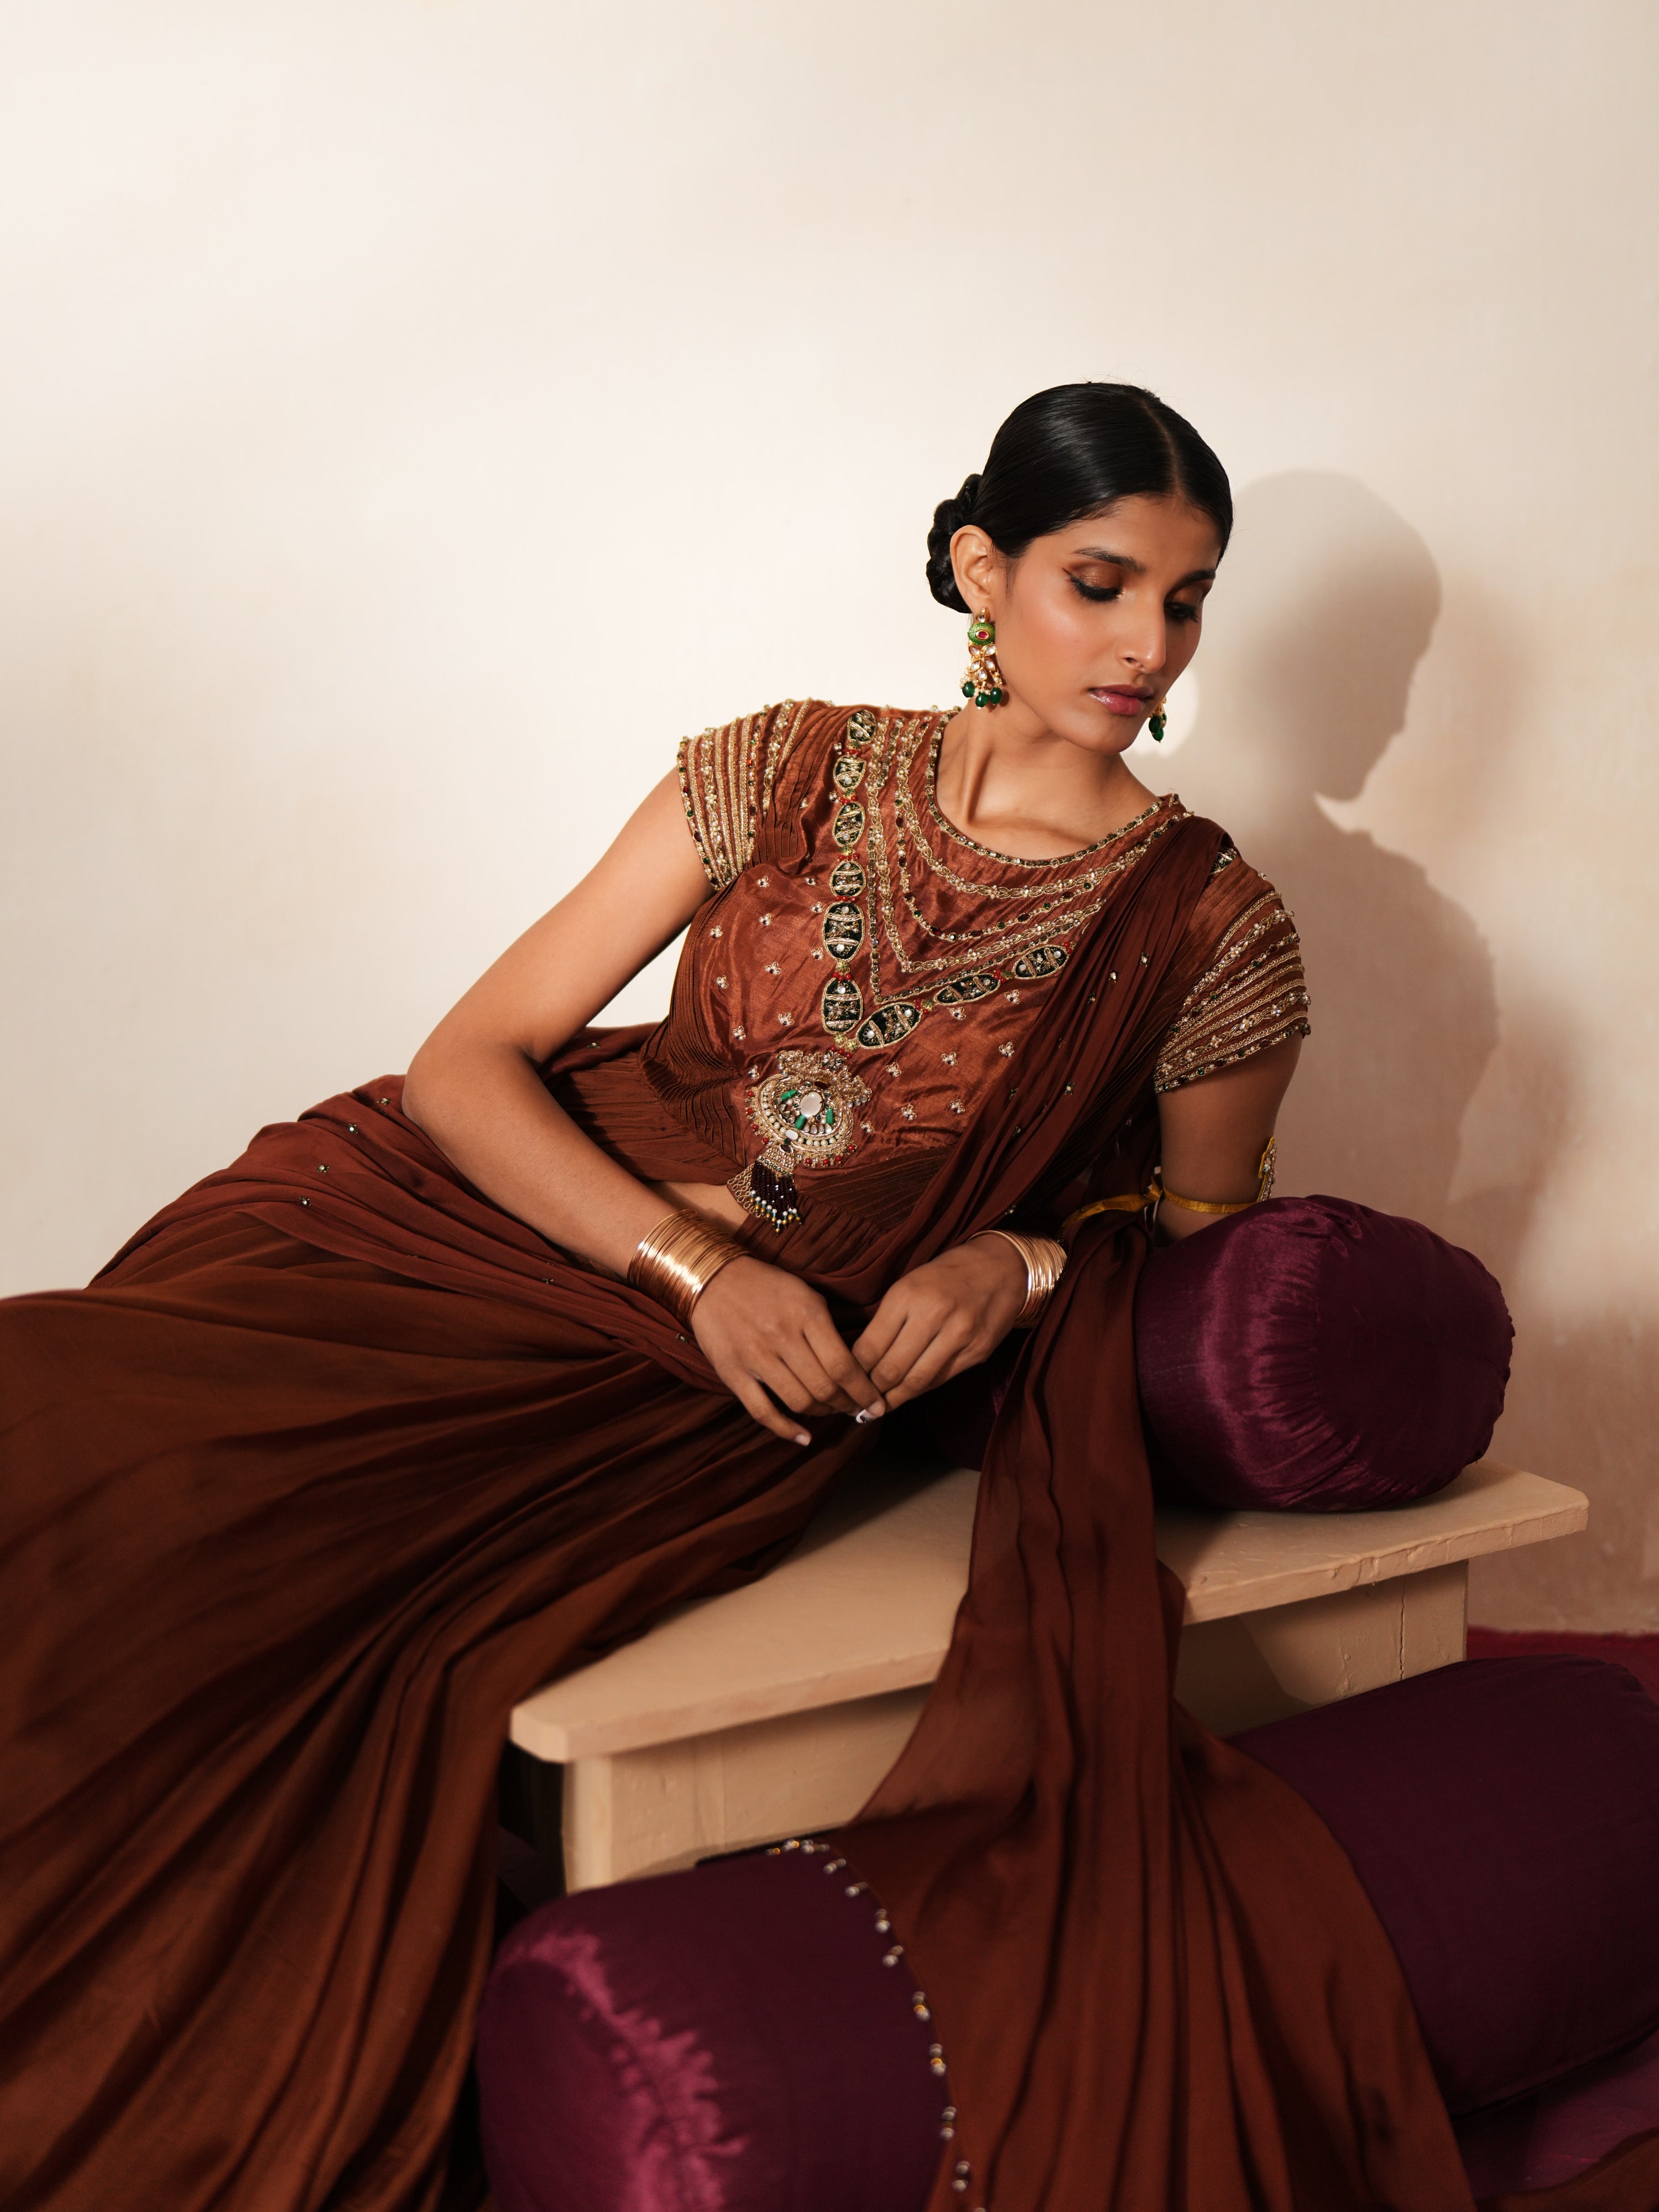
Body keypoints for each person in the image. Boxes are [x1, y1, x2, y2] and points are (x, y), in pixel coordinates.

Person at [3, 384, 1646, 2212]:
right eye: (1099, 583)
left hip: (658, 1400)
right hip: (460, 1228)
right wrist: (696, 1262)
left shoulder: (1210, 930)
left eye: (1186, 600)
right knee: (61, 1413)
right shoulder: (779, 767)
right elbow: (473, 1060)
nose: (1146, 643)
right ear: (980, 569)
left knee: (173, 1561)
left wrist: (1016, 1260)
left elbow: (1193, 1243)